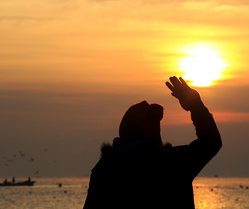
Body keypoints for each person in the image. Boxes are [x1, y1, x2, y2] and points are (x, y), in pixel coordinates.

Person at [83, 76, 222, 209]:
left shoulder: (104, 169)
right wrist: (195, 105)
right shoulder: (171, 163)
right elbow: (211, 141)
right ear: (154, 130)